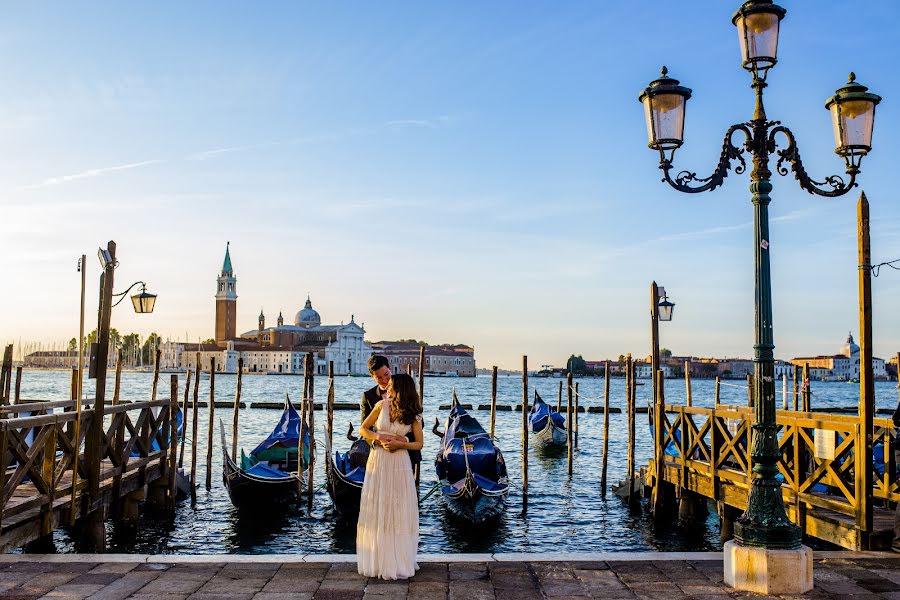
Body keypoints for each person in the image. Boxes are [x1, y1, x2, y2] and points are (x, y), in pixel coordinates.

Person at [356, 373, 423, 579]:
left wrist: (400, 444)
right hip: (379, 460)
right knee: (379, 506)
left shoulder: (413, 415)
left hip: (400, 463)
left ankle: (398, 560)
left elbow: (419, 444)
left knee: (397, 508)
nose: (387, 388)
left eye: (392, 385)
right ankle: (378, 559)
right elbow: (363, 428)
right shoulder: (380, 406)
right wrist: (378, 437)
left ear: (401, 389)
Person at [362, 355, 421, 470]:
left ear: (390, 368)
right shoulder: (368, 396)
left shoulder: (406, 389)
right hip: (379, 455)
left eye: (386, 375)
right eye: (379, 377)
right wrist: (380, 441)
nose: (384, 380)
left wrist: (404, 440)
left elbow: (418, 423)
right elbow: (365, 428)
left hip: (406, 454)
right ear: (372, 376)